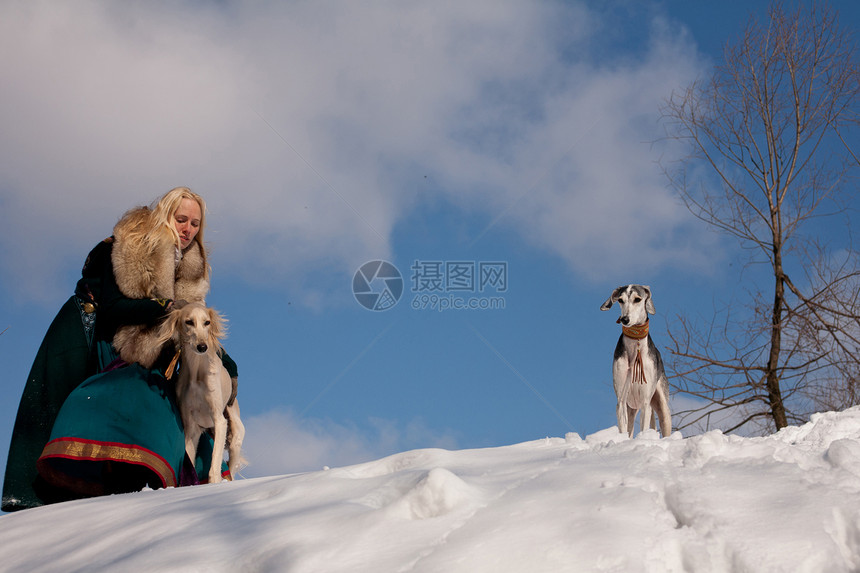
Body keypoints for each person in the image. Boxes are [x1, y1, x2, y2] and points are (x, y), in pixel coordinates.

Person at [2, 187, 238, 512]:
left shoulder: (192, 268)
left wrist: (228, 363)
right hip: (110, 341)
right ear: (165, 216)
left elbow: (195, 329)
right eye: (181, 219)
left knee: (181, 415)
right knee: (134, 406)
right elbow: (114, 307)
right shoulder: (133, 245)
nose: (188, 229)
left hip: (157, 359)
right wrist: (167, 306)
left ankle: (161, 500)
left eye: (195, 224)